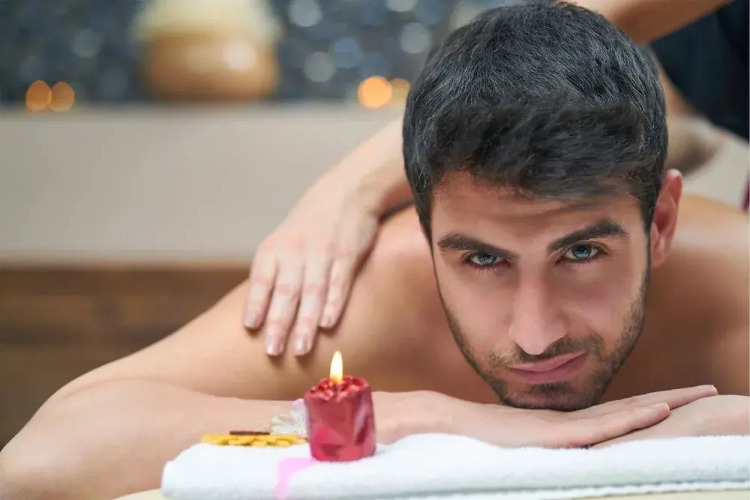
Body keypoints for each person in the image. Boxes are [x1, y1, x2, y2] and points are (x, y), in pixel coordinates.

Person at [1, 3, 748, 500]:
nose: (534, 334)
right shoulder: (381, 293)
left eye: (581, 254)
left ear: (660, 220)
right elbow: (39, 461)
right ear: (423, 233)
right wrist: (417, 418)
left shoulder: (734, 285)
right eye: (482, 260)